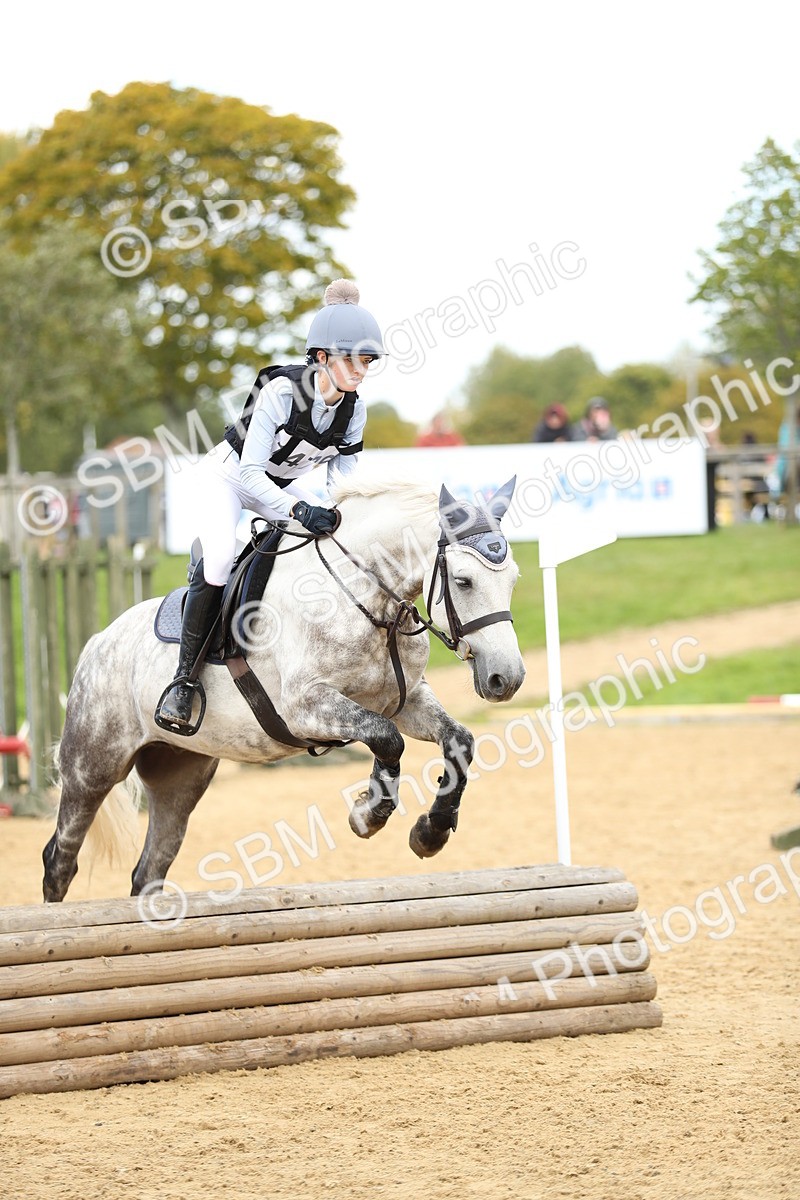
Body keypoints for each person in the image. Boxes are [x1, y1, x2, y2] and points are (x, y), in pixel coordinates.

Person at [156, 279, 385, 730]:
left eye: (367, 360)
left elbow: (343, 481)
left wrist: (341, 513)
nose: (361, 369)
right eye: (352, 359)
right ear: (321, 358)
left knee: (333, 536)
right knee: (221, 559)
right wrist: (299, 511)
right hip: (228, 478)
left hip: (277, 485)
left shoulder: (354, 409)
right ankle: (183, 683)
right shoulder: (282, 392)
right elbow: (249, 475)